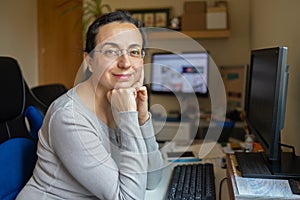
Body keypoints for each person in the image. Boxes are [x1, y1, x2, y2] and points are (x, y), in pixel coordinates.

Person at [17, 10, 163, 200]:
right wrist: (128, 117)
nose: (126, 63)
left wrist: (142, 119)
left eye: (134, 52)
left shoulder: (119, 101)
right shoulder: (69, 117)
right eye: (111, 51)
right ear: (90, 61)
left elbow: (152, 180)